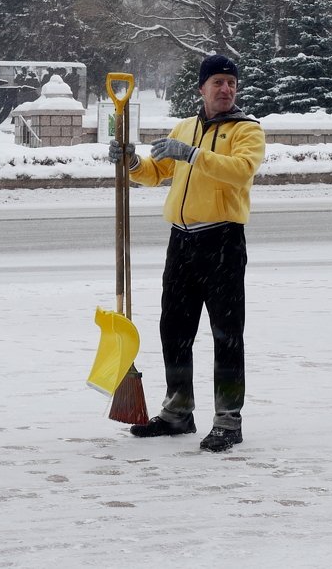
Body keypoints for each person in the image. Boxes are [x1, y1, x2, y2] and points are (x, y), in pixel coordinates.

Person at [108, 54, 266, 453]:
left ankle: (228, 421)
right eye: (217, 82)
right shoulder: (184, 128)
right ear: (202, 88)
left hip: (223, 241)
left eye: (231, 82)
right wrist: (131, 162)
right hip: (181, 242)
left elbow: (239, 170)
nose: (225, 89)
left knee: (226, 336)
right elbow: (157, 171)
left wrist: (191, 154)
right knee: (174, 331)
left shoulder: (248, 131)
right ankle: (178, 412)